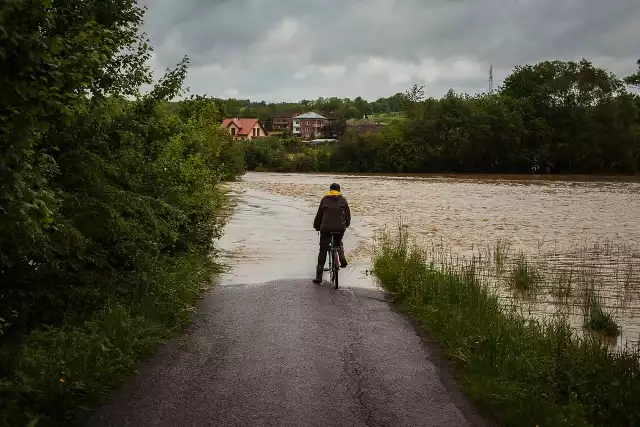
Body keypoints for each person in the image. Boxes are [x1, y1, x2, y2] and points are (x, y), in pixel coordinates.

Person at [312, 183, 351, 284]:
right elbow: (348, 216)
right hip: (340, 228)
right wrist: (345, 225)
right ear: (339, 190)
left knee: (323, 250)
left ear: (330, 190)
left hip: (326, 228)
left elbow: (319, 216)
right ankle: (342, 259)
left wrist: (317, 227)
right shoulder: (343, 200)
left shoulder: (324, 199)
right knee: (338, 243)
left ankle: (319, 276)